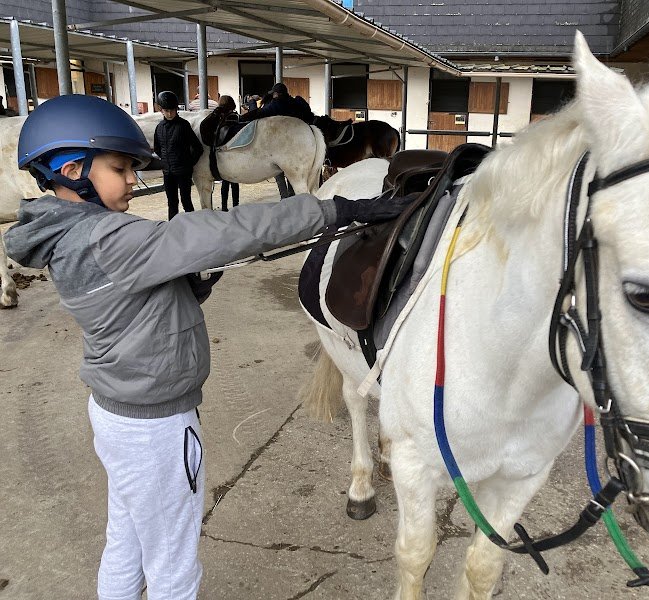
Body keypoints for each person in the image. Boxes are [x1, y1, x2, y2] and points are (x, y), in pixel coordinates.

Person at [3, 93, 415, 600]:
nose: (135, 179)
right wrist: (337, 208)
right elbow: (231, 227)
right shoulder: (111, 239)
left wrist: (188, 287)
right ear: (71, 169)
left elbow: (125, 299)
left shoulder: (68, 235)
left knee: (127, 540)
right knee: (174, 564)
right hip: (155, 427)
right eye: (121, 167)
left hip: (118, 413)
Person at [154, 91, 204, 220]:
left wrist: (189, 163)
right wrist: (165, 161)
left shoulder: (183, 125)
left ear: (177, 109)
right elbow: (157, 148)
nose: (170, 113)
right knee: (172, 203)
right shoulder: (159, 127)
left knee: (186, 201)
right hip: (167, 172)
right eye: (166, 110)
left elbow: (198, 148)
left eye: (172, 110)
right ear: (161, 110)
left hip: (183, 172)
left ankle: (192, 226)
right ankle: (173, 227)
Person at [239, 82, 314, 125]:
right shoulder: (298, 101)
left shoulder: (277, 105)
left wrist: (252, 101)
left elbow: (255, 114)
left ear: (276, 94)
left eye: (273, 94)